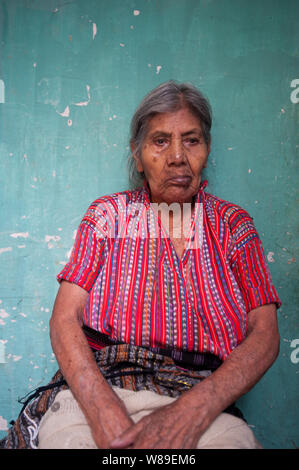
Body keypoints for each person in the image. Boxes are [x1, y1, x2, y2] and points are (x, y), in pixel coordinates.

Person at [0, 81, 281, 449]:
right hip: (101, 391)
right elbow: (64, 318)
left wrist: (196, 409)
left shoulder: (233, 225)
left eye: (192, 140)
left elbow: (265, 334)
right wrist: (103, 411)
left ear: (207, 148)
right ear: (138, 154)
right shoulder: (108, 216)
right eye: (160, 141)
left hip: (200, 400)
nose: (178, 156)